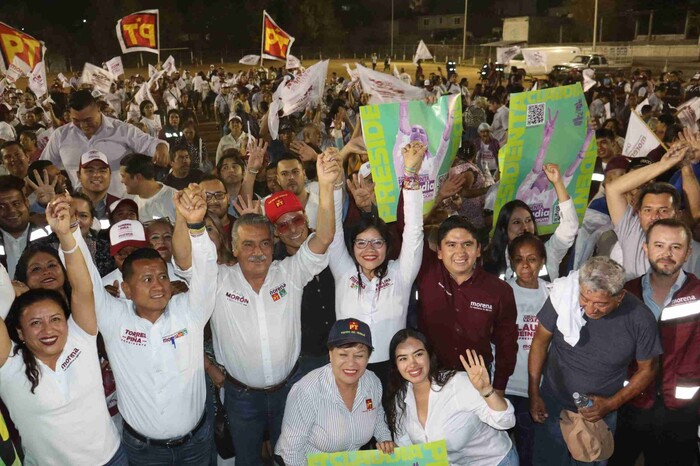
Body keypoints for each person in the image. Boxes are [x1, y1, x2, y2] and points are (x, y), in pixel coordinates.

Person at [175, 147, 339, 466]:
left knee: (289, 459)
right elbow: (184, 260)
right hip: (241, 397)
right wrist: (187, 220)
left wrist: (328, 185)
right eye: (247, 244)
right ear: (234, 248)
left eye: (264, 243)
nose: (258, 252)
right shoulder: (218, 279)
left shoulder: (289, 273)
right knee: (247, 462)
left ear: (273, 244)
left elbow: (325, 237)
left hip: (290, 390)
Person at [62, 185, 218, 465]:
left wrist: (195, 225)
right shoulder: (114, 318)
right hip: (143, 450)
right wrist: (70, 233)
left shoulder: (190, 311)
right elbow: (86, 282)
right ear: (126, 288)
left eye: (161, 277)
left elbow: (207, 272)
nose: (158, 285)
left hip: (196, 443)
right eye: (146, 280)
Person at [0, 198, 125, 465]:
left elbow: (82, 288)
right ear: (20, 333)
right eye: (35, 323)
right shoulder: (9, 364)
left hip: (113, 458)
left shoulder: (81, 337)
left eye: (56, 318)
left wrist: (66, 236)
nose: (48, 329)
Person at [529, 257, 663, 466]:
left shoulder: (640, 319)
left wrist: (611, 404)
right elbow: (539, 342)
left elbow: (648, 370)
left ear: (620, 297)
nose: (590, 309)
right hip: (553, 403)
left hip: (599, 414)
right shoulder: (565, 297)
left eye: (601, 304)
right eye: (585, 299)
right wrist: (534, 392)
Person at [330, 141, 426, 385]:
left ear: (388, 246)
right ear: (351, 248)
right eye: (361, 243)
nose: (369, 250)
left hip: (393, 371)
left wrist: (411, 175)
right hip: (349, 370)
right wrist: (331, 185)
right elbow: (333, 231)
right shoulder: (344, 271)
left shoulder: (400, 274)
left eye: (377, 243)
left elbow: (414, 231)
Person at [611, 219, 700, 466]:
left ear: (688, 252)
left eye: (675, 247)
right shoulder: (624, 294)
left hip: (682, 412)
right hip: (629, 404)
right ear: (646, 248)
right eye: (659, 245)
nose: (667, 254)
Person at [416, 215, 518, 397]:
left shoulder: (499, 290)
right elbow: (407, 228)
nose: (460, 252)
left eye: (467, 244)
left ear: (478, 249)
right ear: (439, 251)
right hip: (430, 379)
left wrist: (499, 387)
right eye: (451, 245)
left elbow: (507, 344)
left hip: (477, 383)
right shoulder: (427, 272)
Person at [386, 329, 517, 465]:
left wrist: (487, 391)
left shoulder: (458, 384)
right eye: (403, 358)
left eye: (418, 354)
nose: (412, 364)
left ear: (429, 355)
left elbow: (506, 421)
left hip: (494, 461)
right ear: (396, 365)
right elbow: (405, 444)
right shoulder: (400, 398)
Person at [275, 318, 394, 465]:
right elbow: (291, 451)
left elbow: (377, 415)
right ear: (330, 354)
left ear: (368, 357)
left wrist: (385, 438)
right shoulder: (307, 390)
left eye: (359, 355)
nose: (351, 363)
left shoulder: (372, 382)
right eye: (343, 355)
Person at [40, 90, 169, 198]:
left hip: (121, 207)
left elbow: (151, 144)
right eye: (76, 121)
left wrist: (161, 148)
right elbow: (43, 167)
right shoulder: (60, 136)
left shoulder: (123, 130)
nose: (83, 125)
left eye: (88, 119)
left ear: (98, 109)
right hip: (83, 209)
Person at [265, 190, 336, 374]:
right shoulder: (272, 267)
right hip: (304, 359)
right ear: (275, 231)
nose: (293, 229)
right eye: (283, 226)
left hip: (342, 348)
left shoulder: (333, 244)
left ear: (305, 217)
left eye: (296, 220)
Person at [605, 143, 697, 279]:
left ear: (677, 214)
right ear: (639, 212)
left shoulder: (685, 237)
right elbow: (613, 189)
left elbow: (696, 213)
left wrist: (685, 165)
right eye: (648, 210)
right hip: (636, 300)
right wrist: (664, 164)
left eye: (663, 210)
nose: (654, 216)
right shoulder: (631, 230)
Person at [484, 163, 578, 280]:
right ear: (504, 228)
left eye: (528, 220)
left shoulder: (549, 252)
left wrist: (558, 182)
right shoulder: (492, 262)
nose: (525, 227)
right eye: (516, 222)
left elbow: (570, 226)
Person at [504, 234, 549, 466]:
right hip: (505, 385)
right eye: (519, 259)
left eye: (532, 259)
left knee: (529, 450)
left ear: (542, 261)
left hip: (536, 389)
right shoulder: (501, 292)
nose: (525, 265)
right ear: (511, 261)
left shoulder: (552, 294)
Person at [0, 175, 52, 278]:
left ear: (27, 203)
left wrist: (52, 204)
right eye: (1, 206)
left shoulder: (50, 234)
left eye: (16, 203)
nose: (11, 210)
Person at [119, 153, 178, 223]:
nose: (122, 181)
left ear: (138, 177)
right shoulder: (127, 201)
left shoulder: (175, 198)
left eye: (123, 176)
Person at [75, 150, 120, 220]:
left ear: (110, 175)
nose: (96, 175)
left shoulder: (120, 206)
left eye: (102, 171)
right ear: (79, 176)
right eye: (90, 171)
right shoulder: (66, 203)